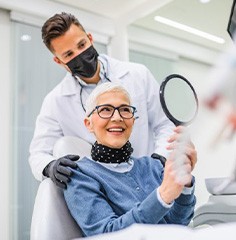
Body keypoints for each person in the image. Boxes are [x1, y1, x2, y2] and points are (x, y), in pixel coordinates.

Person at [29, 12, 176, 188]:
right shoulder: (56, 101)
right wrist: (49, 166)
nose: (80, 55)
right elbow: (38, 153)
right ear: (59, 61)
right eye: (69, 54)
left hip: (151, 180)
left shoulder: (138, 75)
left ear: (90, 38)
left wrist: (159, 160)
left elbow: (165, 125)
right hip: (104, 190)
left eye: (82, 45)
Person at [64, 82, 197, 237]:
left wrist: (185, 184)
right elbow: (107, 234)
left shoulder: (153, 166)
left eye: (125, 110)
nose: (117, 117)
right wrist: (162, 196)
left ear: (133, 121)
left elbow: (178, 223)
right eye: (106, 110)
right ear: (89, 124)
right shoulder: (80, 176)